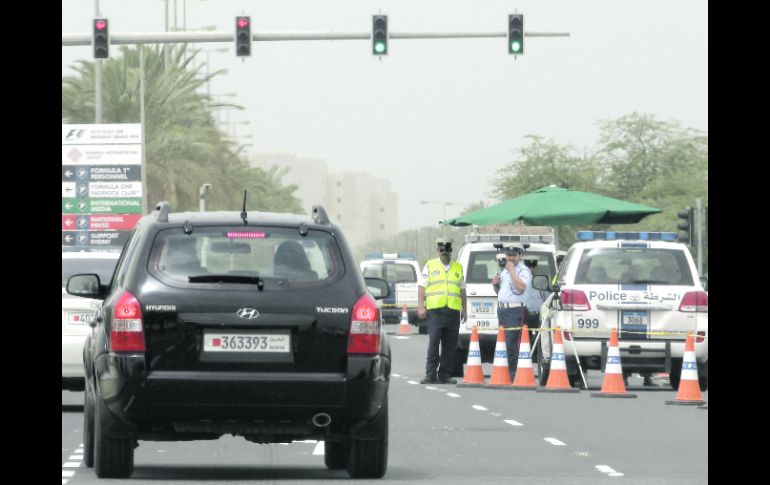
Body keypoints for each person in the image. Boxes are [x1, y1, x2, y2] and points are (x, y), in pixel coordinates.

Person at [417, 238, 467, 384]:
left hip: (452, 311)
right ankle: (430, 374)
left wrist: (465, 309)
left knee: (450, 345)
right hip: (435, 311)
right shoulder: (430, 265)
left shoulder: (458, 267)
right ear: (438, 251)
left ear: (451, 251)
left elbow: (462, 289)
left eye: (446, 251)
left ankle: (444, 375)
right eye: (441, 251)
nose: (444, 253)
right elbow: (422, 288)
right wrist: (421, 307)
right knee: (434, 342)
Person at [491, 243, 532, 381]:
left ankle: (514, 375)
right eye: (509, 255)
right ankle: (508, 373)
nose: (511, 258)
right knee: (504, 343)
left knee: (512, 344)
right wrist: (496, 284)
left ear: (519, 255)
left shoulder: (523, 271)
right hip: (503, 309)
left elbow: (521, 287)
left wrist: (512, 271)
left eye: (514, 255)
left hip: (516, 310)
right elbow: (500, 292)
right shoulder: (505, 271)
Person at [522, 255, 546, 339]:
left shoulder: (541, 280)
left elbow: (546, 297)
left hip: (538, 315)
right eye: (529, 267)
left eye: (532, 267)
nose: (531, 269)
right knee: (525, 340)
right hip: (525, 314)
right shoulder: (519, 280)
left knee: (539, 340)